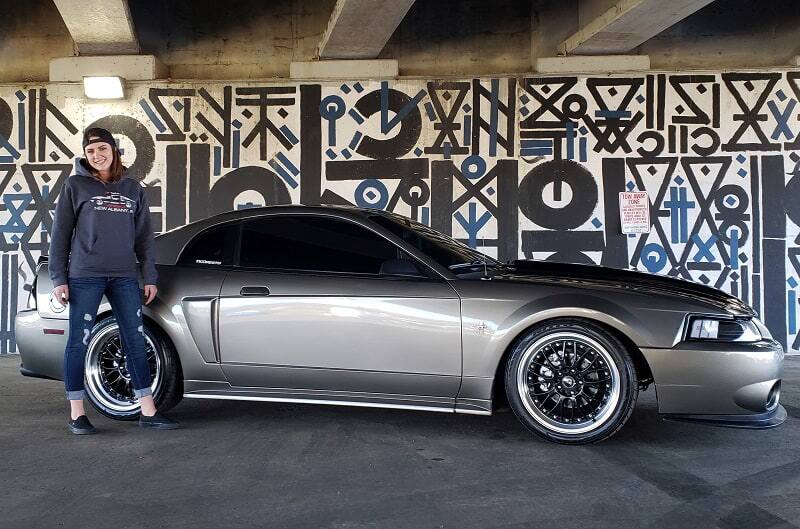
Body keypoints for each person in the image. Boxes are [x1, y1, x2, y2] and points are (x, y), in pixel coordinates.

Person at [49, 127, 179, 434]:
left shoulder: (133, 188)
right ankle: (77, 413)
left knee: (135, 339)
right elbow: (60, 236)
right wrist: (59, 278)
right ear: (85, 154)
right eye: (91, 151)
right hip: (85, 276)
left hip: (124, 276)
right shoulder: (75, 186)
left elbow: (145, 238)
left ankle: (148, 411)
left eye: (102, 149)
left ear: (114, 151)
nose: (97, 155)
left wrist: (149, 276)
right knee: (78, 342)